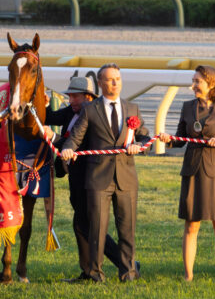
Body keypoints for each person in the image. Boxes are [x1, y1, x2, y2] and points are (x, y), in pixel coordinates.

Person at [61, 64, 150, 283]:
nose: (115, 83)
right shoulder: (90, 110)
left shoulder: (133, 109)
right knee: (97, 230)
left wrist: (141, 146)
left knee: (127, 230)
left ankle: (128, 272)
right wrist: (67, 147)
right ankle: (94, 273)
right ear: (100, 83)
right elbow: (76, 137)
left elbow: (145, 137)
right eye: (110, 80)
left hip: (126, 179)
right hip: (98, 179)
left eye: (118, 79)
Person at [158, 65, 215, 281]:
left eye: (197, 81)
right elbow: (179, 138)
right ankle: (188, 275)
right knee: (191, 224)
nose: (193, 85)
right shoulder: (187, 107)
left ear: (211, 83)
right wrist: (169, 140)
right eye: (193, 81)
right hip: (193, 171)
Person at [45, 76, 127, 282]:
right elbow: (50, 118)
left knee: (88, 225)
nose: (71, 100)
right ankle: (90, 271)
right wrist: (43, 104)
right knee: (82, 224)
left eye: (75, 96)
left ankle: (125, 264)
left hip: (91, 177)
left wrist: (54, 138)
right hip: (76, 177)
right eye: (70, 96)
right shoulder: (71, 112)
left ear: (89, 97)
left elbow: (79, 145)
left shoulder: (93, 114)